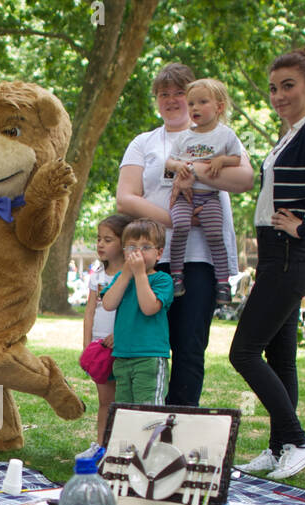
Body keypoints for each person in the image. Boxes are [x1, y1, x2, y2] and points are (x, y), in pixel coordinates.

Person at [232, 47, 305, 481]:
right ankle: (280, 447)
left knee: (243, 351)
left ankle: (297, 440)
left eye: (288, 86)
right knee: (280, 356)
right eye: (274, 88)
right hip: (278, 255)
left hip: (290, 254)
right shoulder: (292, 133)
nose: (278, 95)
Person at [117, 62, 253, 407]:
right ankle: (145, 414)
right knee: (148, 344)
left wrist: (193, 170)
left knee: (190, 344)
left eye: (181, 92)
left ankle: (181, 417)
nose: (173, 100)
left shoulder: (220, 136)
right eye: (164, 94)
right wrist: (174, 221)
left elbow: (245, 180)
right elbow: (126, 198)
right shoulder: (144, 142)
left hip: (201, 257)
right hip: (152, 259)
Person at [166, 79, 246, 302]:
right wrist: (179, 166)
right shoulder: (184, 136)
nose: (195, 108)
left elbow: (237, 159)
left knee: (215, 234)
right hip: (184, 197)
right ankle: (176, 274)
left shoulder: (226, 135)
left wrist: (222, 160)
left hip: (209, 197)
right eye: (191, 104)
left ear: (219, 107)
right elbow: (169, 161)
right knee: (180, 226)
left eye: (202, 102)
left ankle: (223, 282)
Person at [99, 218, 174, 404]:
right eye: (131, 247)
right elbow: (108, 304)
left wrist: (140, 274)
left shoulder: (162, 280)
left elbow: (149, 308)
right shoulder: (121, 277)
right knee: (124, 410)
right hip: (122, 356)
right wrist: (126, 274)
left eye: (146, 247)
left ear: (159, 253)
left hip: (150, 358)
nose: (138, 253)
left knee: (148, 411)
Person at [82, 213, 131, 443]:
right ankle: (101, 445)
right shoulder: (97, 276)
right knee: (105, 401)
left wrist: (119, 334)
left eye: (108, 240)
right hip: (99, 346)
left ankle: (120, 445)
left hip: (122, 346)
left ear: (123, 243)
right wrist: (87, 345)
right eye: (99, 239)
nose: (100, 244)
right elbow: (89, 312)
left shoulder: (130, 276)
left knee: (123, 400)